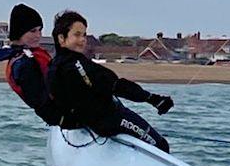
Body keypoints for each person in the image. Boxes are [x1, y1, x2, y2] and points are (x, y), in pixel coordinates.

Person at [48, 10, 173, 153]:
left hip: (89, 123)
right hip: (111, 120)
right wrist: (153, 99)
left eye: (84, 35)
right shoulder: (77, 65)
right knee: (161, 146)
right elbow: (117, 86)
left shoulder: (54, 66)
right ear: (61, 38)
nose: (83, 39)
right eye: (77, 35)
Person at [0, 3, 62, 126]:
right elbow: (39, 101)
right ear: (19, 32)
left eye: (40, 30)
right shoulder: (23, 64)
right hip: (60, 118)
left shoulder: (28, 55)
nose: (38, 35)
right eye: (33, 31)